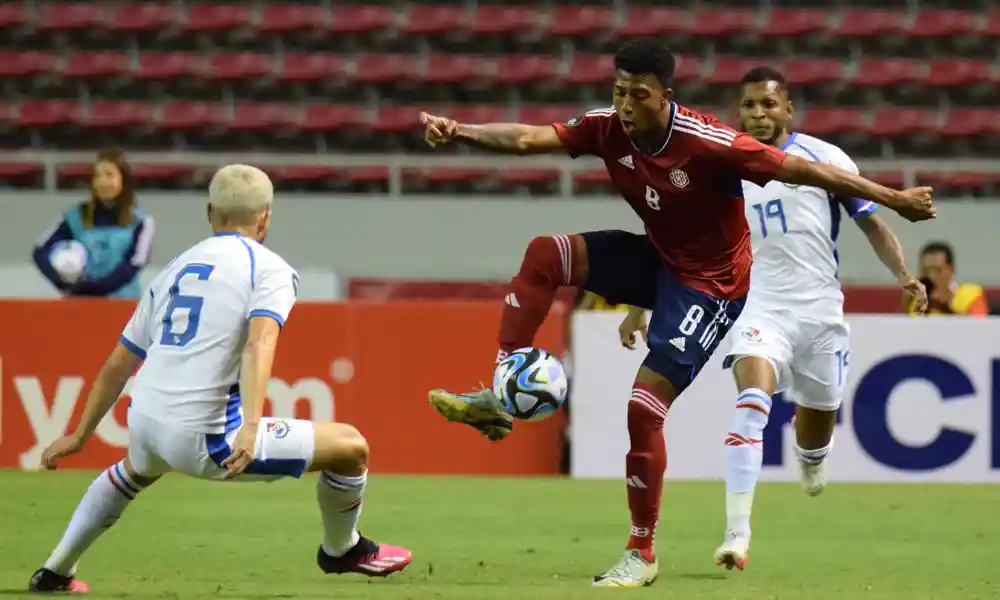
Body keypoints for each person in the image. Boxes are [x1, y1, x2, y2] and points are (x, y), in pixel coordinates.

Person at [418, 37, 935, 587]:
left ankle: (641, 553)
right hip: (660, 262)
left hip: (712, 287)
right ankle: (502, 384)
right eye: (618, 92)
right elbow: (527, 137)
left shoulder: (708, 141)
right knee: (548, 254)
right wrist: (461, 131)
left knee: (643, 408)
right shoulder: (607, 126)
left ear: (665, 96)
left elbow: (807, 173)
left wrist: (894, 199)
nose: (625, 105)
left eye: (638, 95)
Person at [28, 165, 412, 594]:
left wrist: (80, 433)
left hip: (145, 421)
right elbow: (259, 345)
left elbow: (120, 360)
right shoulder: (269, 269)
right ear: (265, 217)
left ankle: (55, 571)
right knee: (351, 448)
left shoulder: (175, 267)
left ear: (209, 213)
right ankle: (342, 549)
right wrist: (249, 427)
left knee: (132, 473)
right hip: (206, 439)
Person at [619, 66, 928, 572]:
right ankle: (737, 536)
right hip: (754, 305)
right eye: (748, 106)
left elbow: (872, 222)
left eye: (768, 105)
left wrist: (904, 276)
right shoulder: (720, 162)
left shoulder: (825, 159)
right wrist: (640, 304)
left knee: (816, 424)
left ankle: (813, 457)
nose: (758, 115)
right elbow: (680, 243)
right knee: (751, 402)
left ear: (788, 109)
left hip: (820, 311)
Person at [32, 148, 154, 298]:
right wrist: (64, 284)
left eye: (109, 175)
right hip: (81, 305)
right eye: (97, 176)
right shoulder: (76, 215)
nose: (102, 182)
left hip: (124, 306)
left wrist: (97, 290)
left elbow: (135, 263)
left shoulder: (141, 220)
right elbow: (40, 250)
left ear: (124, 179)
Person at [906, 241, 988, 316]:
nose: (931, 276)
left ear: (951, 270)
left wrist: (945, 309)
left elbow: (979, 328)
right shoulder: (916, 299)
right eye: (926, 270)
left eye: (938, 270)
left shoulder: (972, 294)